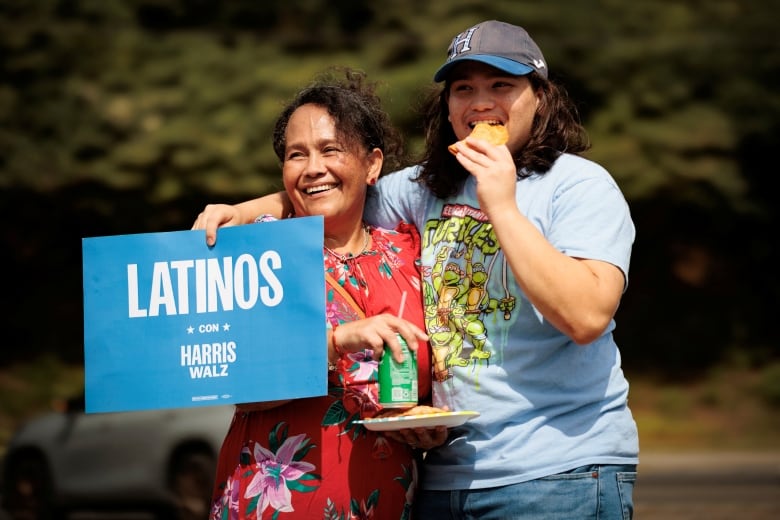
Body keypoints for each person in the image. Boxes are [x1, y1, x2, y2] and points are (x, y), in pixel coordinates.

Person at [194, 20, 639, 519]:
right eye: (463, 88)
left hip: (558, 472)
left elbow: (586, 317)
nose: (480, 102)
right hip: (445, 478)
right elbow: (336, 186)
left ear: (541, 96)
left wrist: (502, 205)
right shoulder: (425, 189)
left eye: (502, 86)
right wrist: (246, 211)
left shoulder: (578, 186)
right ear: (447, 107)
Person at [202, 67, 434, 520]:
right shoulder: (260, 250)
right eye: (296, 155)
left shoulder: (408, 252)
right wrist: (336, 342)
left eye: (331, 150)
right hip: (270, 505)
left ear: (373, 164)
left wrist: (428, 424)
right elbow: (241, 386)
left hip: (385, 502)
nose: (313, 169)